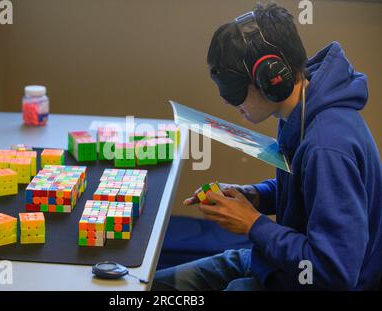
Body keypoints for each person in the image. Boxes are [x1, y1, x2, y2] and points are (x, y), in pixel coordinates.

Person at [152, 3, 382, 291]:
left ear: (272, 78)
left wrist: (253, 224)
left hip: (316, 278)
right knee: (153, 286)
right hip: (285, 264)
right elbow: (306, 192)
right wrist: (253, 196)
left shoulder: (327, 148)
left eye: (233, 89)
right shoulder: (299, 111)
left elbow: (333, 272)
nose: (226, 101)